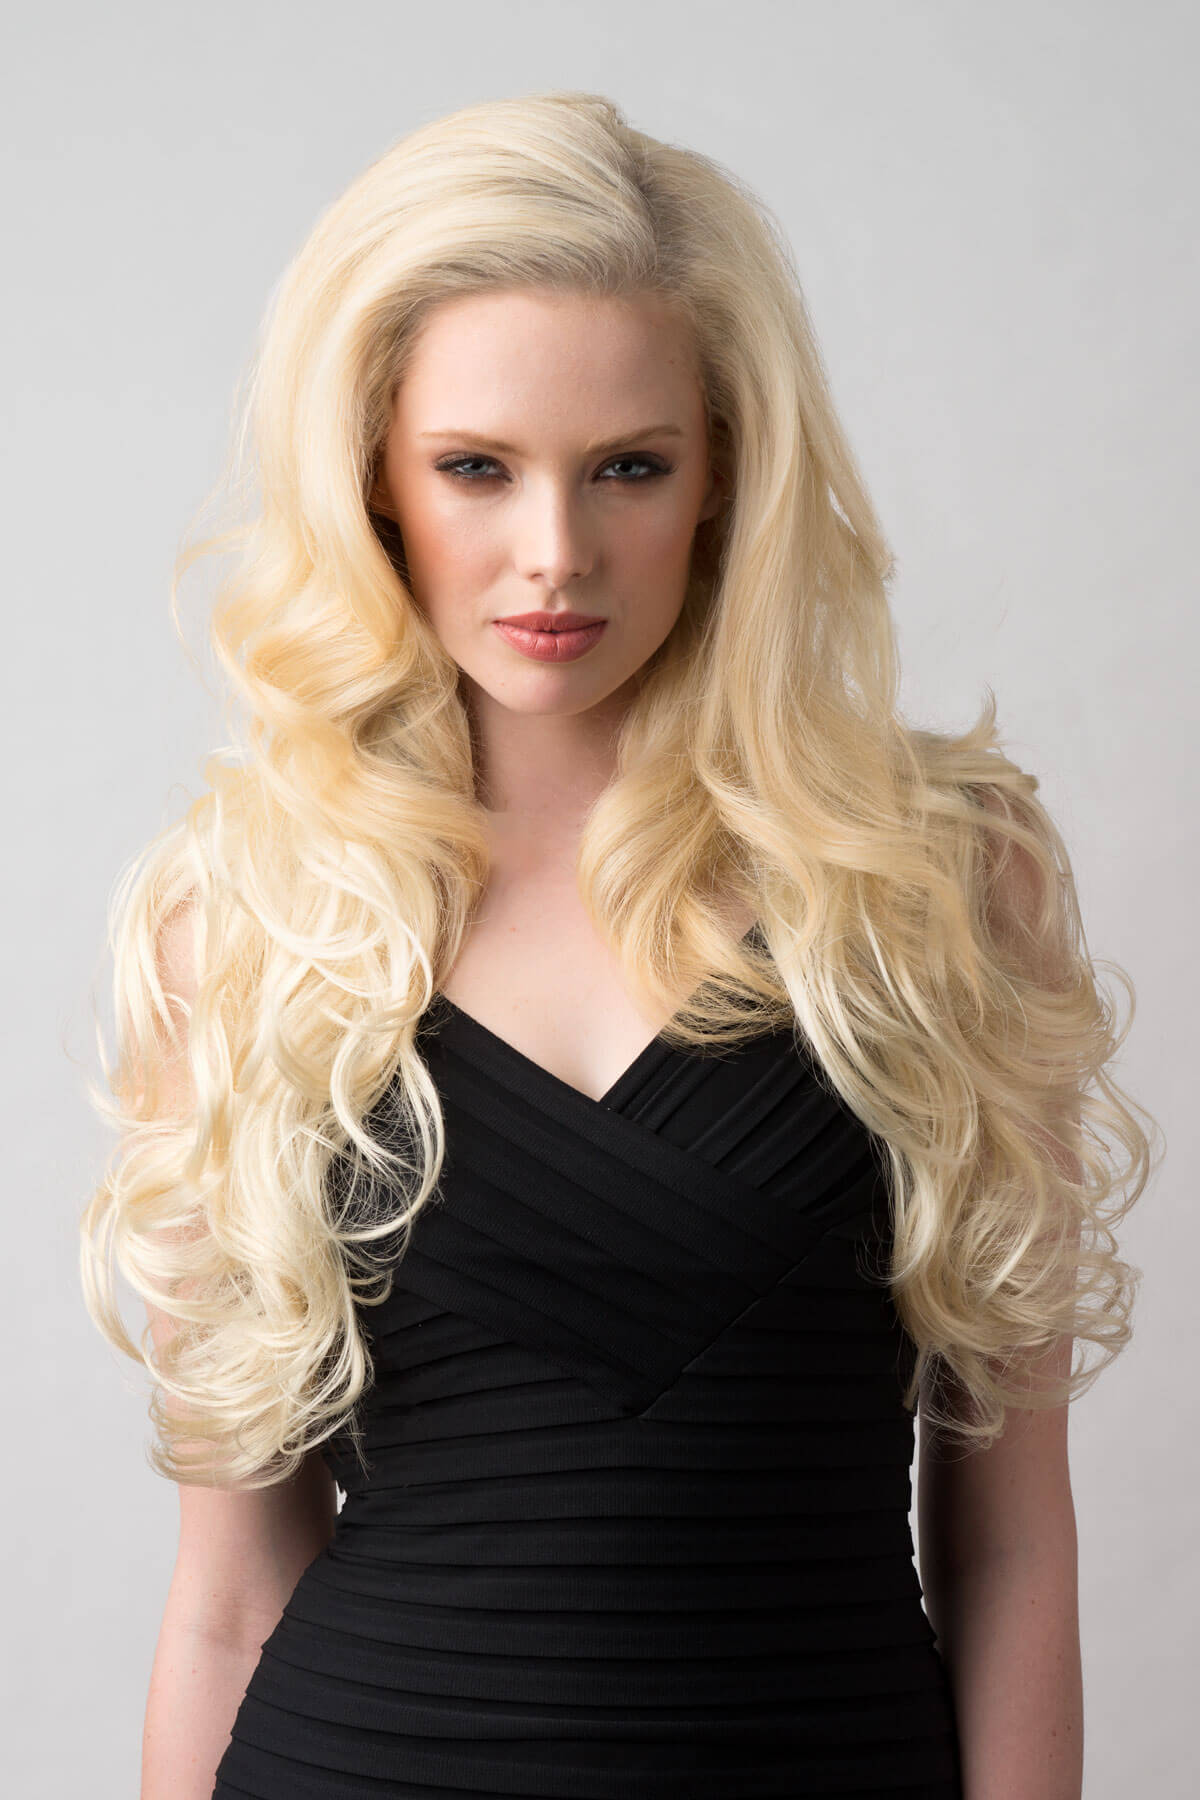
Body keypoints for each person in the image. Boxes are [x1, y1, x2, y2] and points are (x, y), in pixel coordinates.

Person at [80, 90, 1156, 1800]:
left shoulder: (944, 886)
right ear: (372, 481)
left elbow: (1014, 1546)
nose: (555, 556)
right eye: (477, 469)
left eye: (629, 468)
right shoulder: (254, 926)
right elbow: (228, 1593)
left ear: (724, 476)